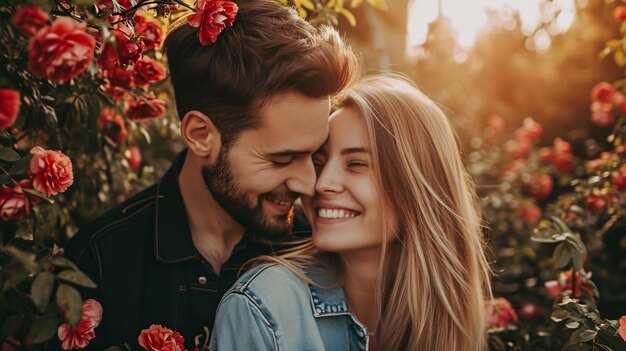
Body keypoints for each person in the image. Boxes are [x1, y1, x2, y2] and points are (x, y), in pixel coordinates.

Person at [63, 0, 357, 348]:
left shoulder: (323, 251)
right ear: (201, 135)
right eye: (282, 159)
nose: (310, 184)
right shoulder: (100, 261)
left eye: (315, 156)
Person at [209, 75, 493, 351]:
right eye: (319, 162)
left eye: (357, 164)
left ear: (419, 185)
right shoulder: (266, 307)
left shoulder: (451, 315)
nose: (321, 183)